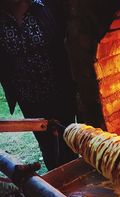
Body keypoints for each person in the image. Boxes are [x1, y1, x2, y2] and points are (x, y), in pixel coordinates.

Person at [0, 0, 77, 170]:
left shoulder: (45, 7)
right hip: (28, 98)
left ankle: (76, 187)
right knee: (47, 146)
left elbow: (67, 42)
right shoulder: (2, 18)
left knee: (69, 142)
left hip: (59, 91)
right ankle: (57, 188)